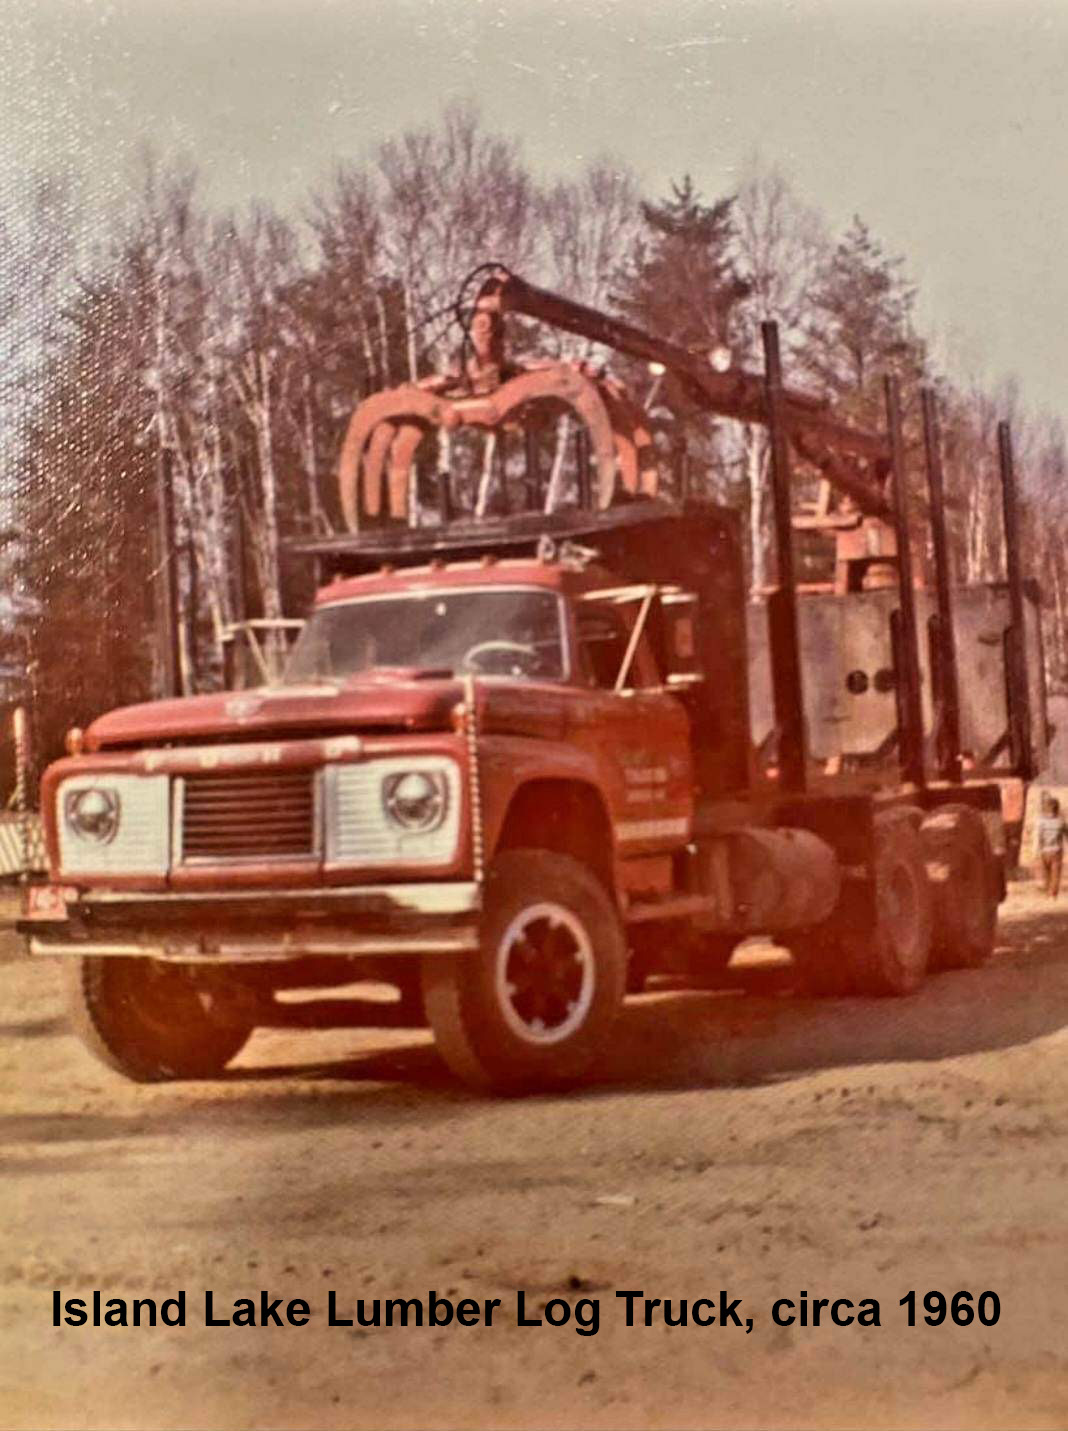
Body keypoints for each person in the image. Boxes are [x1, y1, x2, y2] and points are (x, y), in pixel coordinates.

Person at [1037, 793, 1068, 898]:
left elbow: (1038, 836)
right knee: (1056, 873)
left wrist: (1037, 849)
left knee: (1046, 872)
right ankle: (1054, 893)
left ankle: (1047, 892)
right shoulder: (1061, 821)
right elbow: (1066, 835)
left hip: (1044, 850)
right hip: (1057, 850)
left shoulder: (1041, 821)